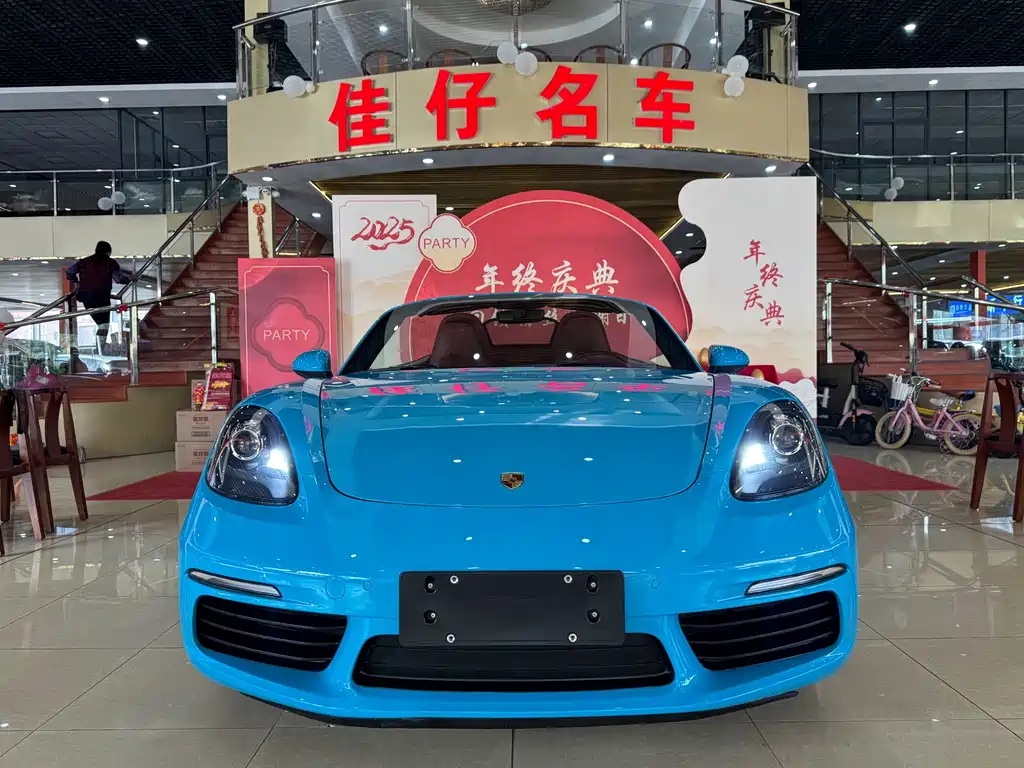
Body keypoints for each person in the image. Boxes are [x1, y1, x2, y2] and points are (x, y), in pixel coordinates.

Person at [65, 241, 131, 352]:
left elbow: (69, 272)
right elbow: (119, 279)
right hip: (102, 298)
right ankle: (100, 349)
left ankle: (99, 349)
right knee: (104, 324)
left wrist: (75, 281)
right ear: (108, 252)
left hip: (86, 298)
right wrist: (130, 279)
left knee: (101, 324)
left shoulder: (83, 262)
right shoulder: (110, 262)